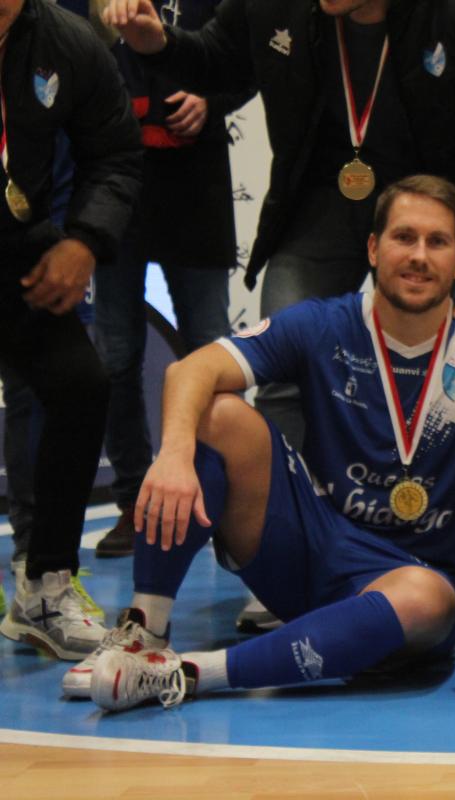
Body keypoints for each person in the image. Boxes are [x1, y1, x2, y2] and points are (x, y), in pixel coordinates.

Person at [66, 175, 455, 711]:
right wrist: (175, 455)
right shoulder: (325, 323)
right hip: (316, 547)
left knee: (426, 598)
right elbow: (190, 370)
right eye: (404, 237)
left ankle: (182, 674)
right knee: (218, 412)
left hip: (413, 580)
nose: (419, 256)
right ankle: (145, 631)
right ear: (373, 248)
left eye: (436, 242)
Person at [102, 0, 455, 449]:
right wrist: (157, 44)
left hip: (434, 213)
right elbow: (219, 60)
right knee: (282, 363)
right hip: (323, 202)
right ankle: (284, 507)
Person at [0, 0, 142, 660]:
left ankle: (44, 589)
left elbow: (114, 153)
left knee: (82, 385)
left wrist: (85, 240)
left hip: (20, 254)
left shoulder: (68, 41)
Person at [92, 0, 253, 558]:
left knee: (213, 350)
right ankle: (134, 501)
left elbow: (246, 65)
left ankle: (221, 500)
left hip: (198, 190)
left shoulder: (219, 6)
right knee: (115, 354)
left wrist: (214, 102)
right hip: (115, 187)